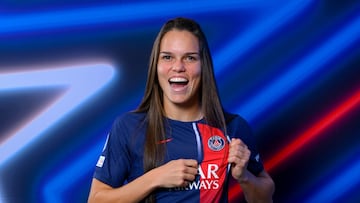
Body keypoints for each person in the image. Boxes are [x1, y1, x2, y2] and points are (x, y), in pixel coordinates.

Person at [88, 17, 275, 203]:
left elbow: (265, 198)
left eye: (190, 58)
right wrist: (155, 178)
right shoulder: (129, 127)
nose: (178, 67)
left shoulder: (233, 128)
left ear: (204, 66)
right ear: (156, 65)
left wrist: (244, 177)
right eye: (167, 57)